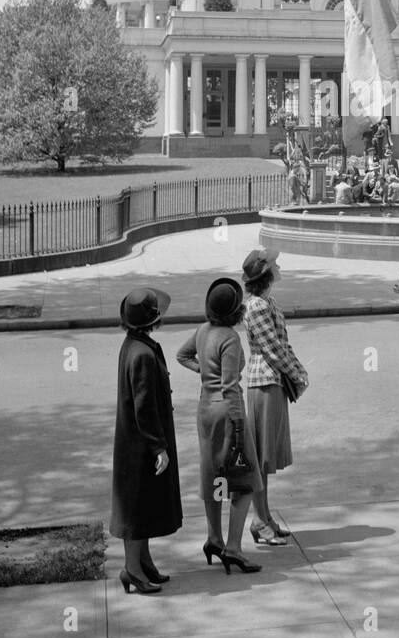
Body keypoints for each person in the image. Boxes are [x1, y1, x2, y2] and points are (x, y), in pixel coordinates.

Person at [175, 279, 262, 576]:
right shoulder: (230, 338)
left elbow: (182, 355)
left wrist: (203, 371)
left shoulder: (203, 330)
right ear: (235, 310)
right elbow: (230, 386)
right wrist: (239, 426)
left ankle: (214, 538)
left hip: (204, 410)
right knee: (246, 479)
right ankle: (234, 548)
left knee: (214, 476)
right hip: (227, 412)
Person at [110, 287, 182, 594]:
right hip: (140, 446)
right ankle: (133, 569)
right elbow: (144, 407)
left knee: (144, 505)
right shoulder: (140, 354)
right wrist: (158, 446)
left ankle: (144, 562)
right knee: (137, 509)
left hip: (136, 443)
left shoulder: (135, 345)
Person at [242, 248, 309, 546]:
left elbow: (283, 343)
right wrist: (296, 373)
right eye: (274, 264)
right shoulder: (256, 306)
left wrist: (297, 370)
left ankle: (264, 517)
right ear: (266, 274)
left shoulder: (267, 301)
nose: (279, 265)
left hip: (273, 381)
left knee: (266, 456)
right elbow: (272, 348)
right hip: (264, 381)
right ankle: (259, 518)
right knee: (262, 456)